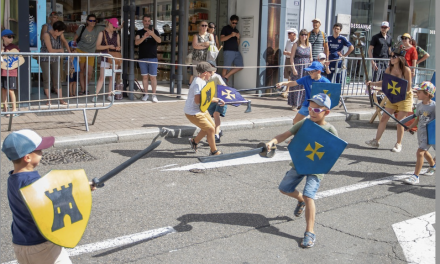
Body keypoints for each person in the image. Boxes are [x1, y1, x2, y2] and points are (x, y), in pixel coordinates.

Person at [2, 129, 97, 264]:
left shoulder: (14, 177)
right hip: (42, 245)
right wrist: (82, 190)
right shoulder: (32, 182)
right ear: (27, 157)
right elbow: (54, 204)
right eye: (39, 151)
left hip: (21, 242)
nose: (42, 153)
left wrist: (82, 186)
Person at [265, 93, 337, 248]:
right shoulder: (304, 123)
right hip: (300, 162)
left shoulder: (330, 130)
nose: (312, 112)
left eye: (317, 110)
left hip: (317, 167)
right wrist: (272, 141)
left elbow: (334, 152)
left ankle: (309, 232)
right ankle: (301, 200)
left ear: (327, 112)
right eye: (310, 108)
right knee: (284, 188)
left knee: (309, 195)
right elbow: (285, 135)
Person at [365, 50, 413, 152]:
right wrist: (372, 83)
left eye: (394, 56)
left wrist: (396, 84)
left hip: (405, 98)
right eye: (390, 56)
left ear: (400, 58)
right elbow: (385, 83)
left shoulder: (406, 70)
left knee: (400, 122)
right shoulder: (389, 69)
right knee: (384, 118)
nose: (391, 58)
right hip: (393, 97)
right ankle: (376, 140)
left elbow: (408, 88)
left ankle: (398, 144)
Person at [185, 62, 225, 156]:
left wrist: (217, 99)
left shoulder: (202, 81)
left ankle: (194, 141)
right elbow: (198, 100)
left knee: (210, 126)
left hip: (200, 110)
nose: (211, 74)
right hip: (193, 112)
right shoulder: (198, 83)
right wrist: (214, 100)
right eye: (210, 72)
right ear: (205, 73)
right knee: (210, 129)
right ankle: (214, 151)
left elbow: (205, 98)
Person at [404, 82, 436, 185]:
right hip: (421, 132)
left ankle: (415, 176)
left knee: (420, 152)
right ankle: (432, 165)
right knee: (425, 152)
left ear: (427, 94)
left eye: (419, 92)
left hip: (429, 133)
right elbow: (418, 118)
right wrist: (410, 126)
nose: (417, 93)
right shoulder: (419, 105)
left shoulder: (434, 106)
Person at [93, 18, 121, 103]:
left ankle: (109, 95)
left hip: (114, 58)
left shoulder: (117, 35)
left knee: (112, 78)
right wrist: (108, 46)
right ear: (109, 24)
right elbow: (97, 47)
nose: (115, 28)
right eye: (114, 26)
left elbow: (119, 46)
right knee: (102, 77)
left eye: (116, 27)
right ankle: (95, 95)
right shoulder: (102, 33)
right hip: (105, 58)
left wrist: (118, 48)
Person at [40, 21, 68, 105]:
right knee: (47, 79)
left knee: (57, 78)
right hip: (45, 59)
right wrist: (60, 50)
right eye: (61, 32)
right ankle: (49, 99)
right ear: (56, 30)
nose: (61, 34)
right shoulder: (46, 35)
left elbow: (65, 42)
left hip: (55, 59)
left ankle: (61, 99)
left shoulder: (59, 35)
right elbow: (50, 50)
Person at [135, 15, 161, 103]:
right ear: (142, 22)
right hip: (142, 58)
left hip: (153, 58)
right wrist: (145, 36)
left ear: (150, 22)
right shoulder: (139, 32)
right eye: (145, 21)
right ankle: (146, 94)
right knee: (145, 77)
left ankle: (154, 95)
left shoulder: (155, 31)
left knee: (153, 77)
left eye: (148, 21)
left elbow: (159, 41)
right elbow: (136, 42)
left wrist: (152, 34)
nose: (147, 22)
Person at [73, 14, 101, 95]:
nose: (92, 22)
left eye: (94, 21)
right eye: (91, 20)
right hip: (80, 50)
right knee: (81, 70)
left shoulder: (98, 29)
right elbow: (74, 39)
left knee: (89, 73)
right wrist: (74, 49)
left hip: (91, 52)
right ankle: (83, 89)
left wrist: (120, 26)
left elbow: (109, 28)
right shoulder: (82, 28)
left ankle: (86, 87)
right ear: (87, 21)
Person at [287, 29, 312, 111]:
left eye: (305, 34)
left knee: (304, 86)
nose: (303, 36)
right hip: (298, 67)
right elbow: (292, 58)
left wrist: (311, 64)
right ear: (300, 35)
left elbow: (310, 57)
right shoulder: (295, 45)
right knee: (296, 84)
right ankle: (294, 104)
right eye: (302, 34)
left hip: (306, 68)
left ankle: (302, 103)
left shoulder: (309, 45)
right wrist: (293, 68)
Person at [206, 60, 227, 143]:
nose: (209, 70)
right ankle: (218, 131)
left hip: (220, 99)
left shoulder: (217, 76)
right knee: (210, 117)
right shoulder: (205, 77)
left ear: (215, 69)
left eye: (211, 68)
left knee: (216, 114)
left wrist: (224, 97)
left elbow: (224, 86)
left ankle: (216, 135)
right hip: (211, 100)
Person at [220, 15, 243, 84]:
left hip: (236, 51)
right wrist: (231, 35)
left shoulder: (236, 30)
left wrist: (238, 38)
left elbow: (238, 43)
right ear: (230, 21)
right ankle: (222, 84)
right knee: (226, 67)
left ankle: (226, 77)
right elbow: (222, 39)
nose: (234, 24)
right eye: (233, 22)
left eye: (236, 23)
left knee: (240, 66)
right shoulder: (225, 28)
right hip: (228, 50)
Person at [1, 29, 19, 117]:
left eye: (12, 36)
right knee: (3, 90)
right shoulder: (2, 47)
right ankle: (5, 109)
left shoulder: (14, 47)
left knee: (11, 90)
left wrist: (9, 53)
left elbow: (18, 57)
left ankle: (14, 109)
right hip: (2, 71)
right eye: (9, 36)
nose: (11, 38)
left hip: (11, 72)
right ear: (3, 37)